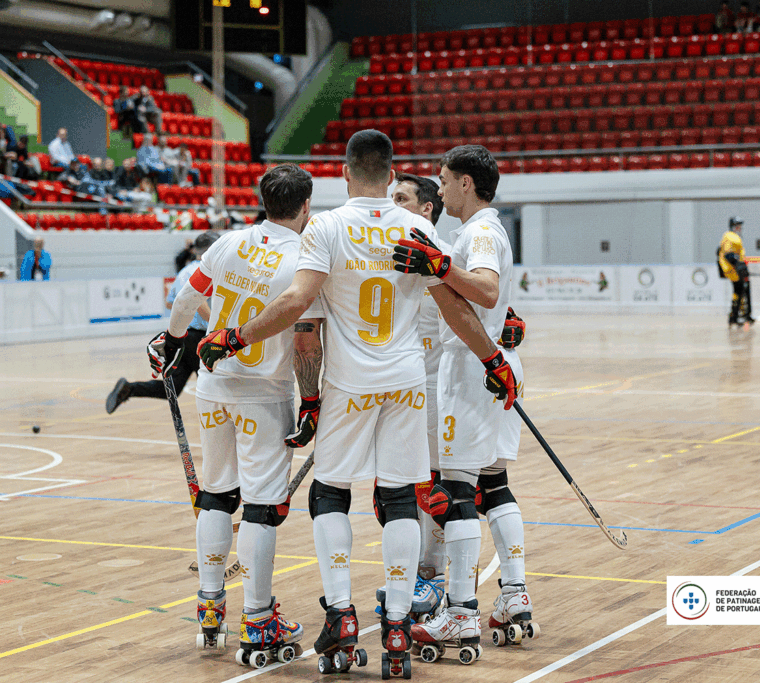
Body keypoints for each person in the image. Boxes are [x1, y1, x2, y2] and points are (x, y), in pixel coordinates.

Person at [186, 130, 517, 675]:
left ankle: (340, 614)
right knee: (400, 499)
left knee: (329, 495)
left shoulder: (326, 226)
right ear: (392, 175)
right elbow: (455, 307)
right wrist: (493, 359)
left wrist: (237, 337)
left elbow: (298, 305)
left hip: (349, 387)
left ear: (344, 173)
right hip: (406, 383)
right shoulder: (417, 227)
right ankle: (397, 624)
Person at [148, 167, 321, 663]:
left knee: (217, 494)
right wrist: (312, 400)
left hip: (213, 387)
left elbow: (187, 296)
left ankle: (209, 607)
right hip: (264, 393)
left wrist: (173, 340)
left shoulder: (230, 241)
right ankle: (259, 618)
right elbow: (306, 341)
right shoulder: (305, 257)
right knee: (262, 506)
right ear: (305, 206)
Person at [395, 146, 533, 656]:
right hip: (489, 364)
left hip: (471, 367)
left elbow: (487, 292)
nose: (441, 187)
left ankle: (459, 612)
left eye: (445, 179)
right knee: (493, 483)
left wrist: (438, 265)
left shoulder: (477, 233)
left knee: (457, 492)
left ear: (466, 184)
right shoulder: (479, 232)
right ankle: (514, 594)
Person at [106, 234, 215, 415]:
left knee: (173, 387)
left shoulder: (183, 271)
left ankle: (129, 389)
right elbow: (196, 301)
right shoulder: (204, 271)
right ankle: (216, 424)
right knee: (213, 385)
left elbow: (170, 302)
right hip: (198, 337)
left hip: (182, 335)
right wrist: (215, 324)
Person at [718, 216, 754, 326]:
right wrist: (739, 266)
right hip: (733, 269)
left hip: (736, 268)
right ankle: (736, 316)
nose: (740, 227)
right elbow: (729, 254)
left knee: (740, 290)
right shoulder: (729, 236)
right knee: (739, 290)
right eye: (738, 225)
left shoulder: (734, 237)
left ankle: (740, 316)